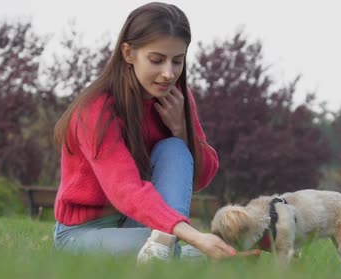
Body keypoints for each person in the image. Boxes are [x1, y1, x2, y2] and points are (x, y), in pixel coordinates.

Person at [52, 2, 236, 261]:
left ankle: (167, 249)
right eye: (157, 60)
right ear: (128, 53)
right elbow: (124, 189)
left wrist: (182, 133)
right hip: (81, 235)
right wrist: (194, 237)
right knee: (172, 246)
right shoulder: (96, 109)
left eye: (177, 61)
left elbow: (202, 177)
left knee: (174, 148)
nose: (168, 73)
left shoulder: (175, 99)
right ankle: (205, 255)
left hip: (138, 222)